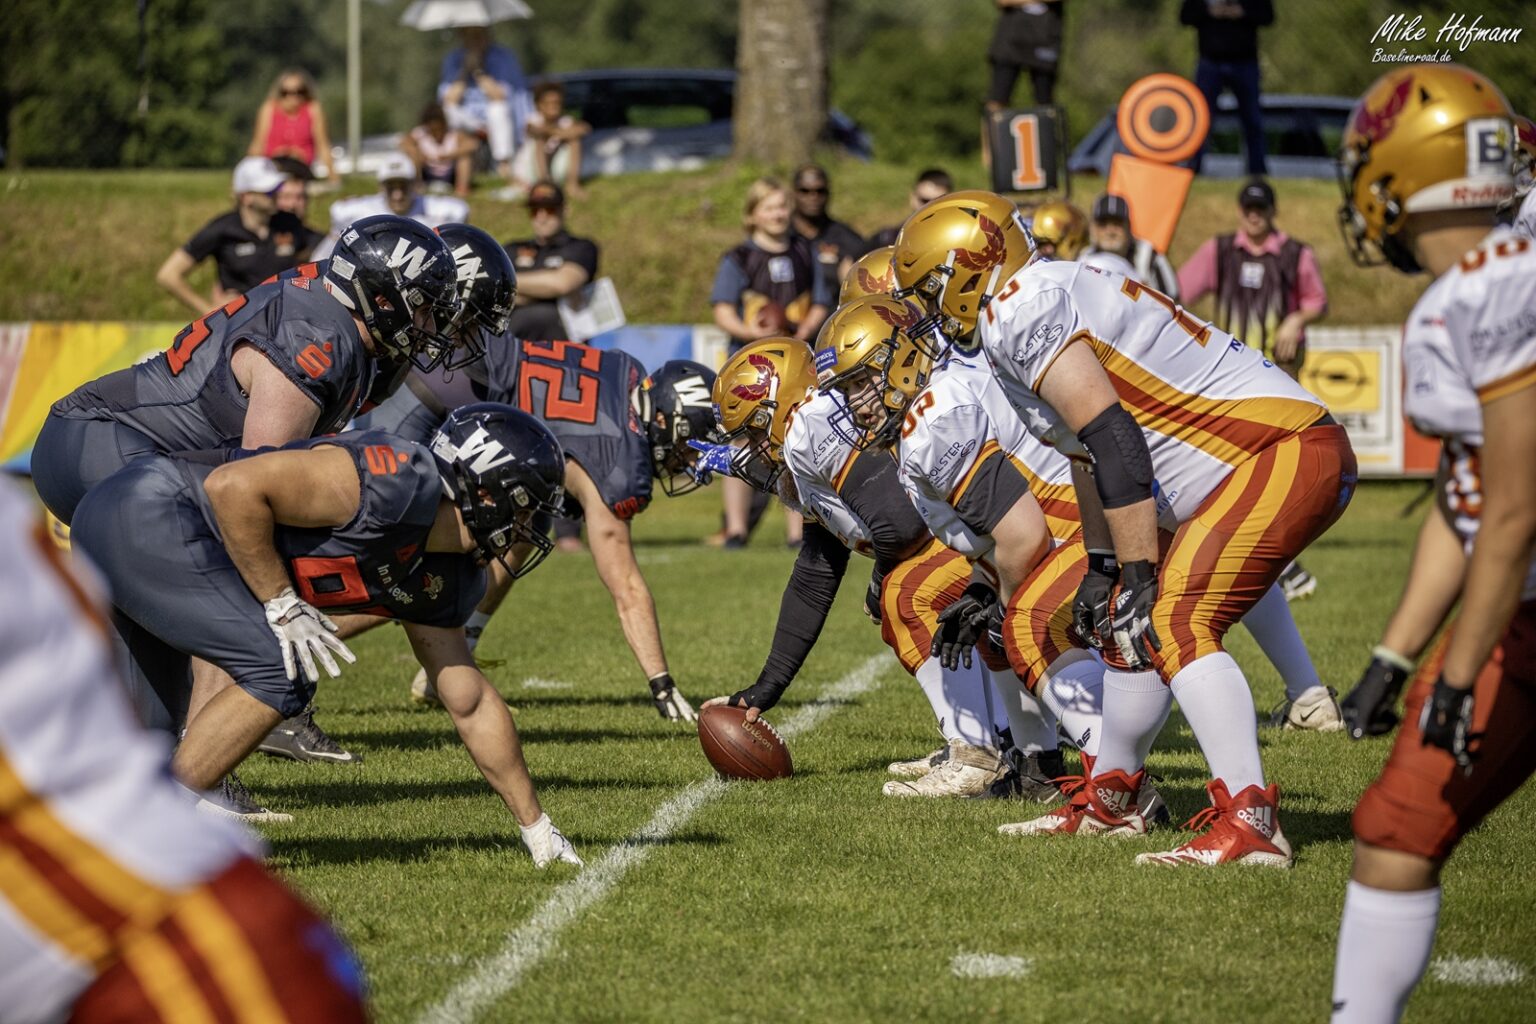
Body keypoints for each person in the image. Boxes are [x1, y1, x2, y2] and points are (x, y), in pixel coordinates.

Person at [891, 189, 1355, 865]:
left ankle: (1251, 821)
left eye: (932, 290)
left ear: (966, 269)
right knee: (1124, 625)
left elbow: (1114, 435)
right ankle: (1114, 800)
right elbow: (1087, 451)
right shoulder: (1018, 308)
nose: (931, 311)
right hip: (1230, 464)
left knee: (1173, 620)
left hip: (1274, 448)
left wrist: (1139, 571)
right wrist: (1108, 567)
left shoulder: (1021, 305)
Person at [70, 405, 583, 869]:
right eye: (524, 509)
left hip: (146, 534)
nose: (526, 529)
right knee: (280, 669)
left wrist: (536, 827)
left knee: (145, 745)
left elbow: (467, 701)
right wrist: (280, 601)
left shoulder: (450, 572)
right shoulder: (393, 481)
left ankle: (89, 849)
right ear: (487, 489)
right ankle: (153, 832)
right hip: (146, 510)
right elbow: (232, 488)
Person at [0, 480, 370, 1022]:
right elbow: (236, 478)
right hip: (128, 912)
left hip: (128, 928)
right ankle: (193, 787)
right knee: (272, 662)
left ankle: (194, 786)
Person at [1329, 64, 1532, 1023]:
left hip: (1524, 620)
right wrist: (1392, 654)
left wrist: (1452, 677)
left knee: (1400, 826)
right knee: (1393, 827)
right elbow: (1472, 502)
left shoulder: (1487, 293)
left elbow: (1513, 512)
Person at [697, 336, 1067, 800]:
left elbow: (900, 524)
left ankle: (978, 752)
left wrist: (877, 579)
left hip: (1015, 525)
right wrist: (767, 686)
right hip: (994, 527)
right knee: (901, 588)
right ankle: (992, 738)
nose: (751, 449)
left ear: (779, 404)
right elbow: (817, 572)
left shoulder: (810, 426)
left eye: (753, 431)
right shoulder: (808, 434)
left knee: (905, 591)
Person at [711, 177, 833, 550]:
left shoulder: (804, 250)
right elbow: (722, 310)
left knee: (792, 439)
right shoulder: (739, 258)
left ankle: (797, 531)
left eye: (782, 206)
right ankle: (736, 528)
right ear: (752, 215)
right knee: (740, 440)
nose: (778, 213)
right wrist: (750, 331)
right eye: (769, 207)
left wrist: (803, 330)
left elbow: (821, 301)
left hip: (793, 362)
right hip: (750, 362)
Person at [155, 156, 322, 316]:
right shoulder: (223, 229)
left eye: (277, 187)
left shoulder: (289, 223)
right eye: (269, 191)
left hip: (284, 322)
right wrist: (210, 313)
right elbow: (168, 275)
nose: (277, 193)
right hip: (241, 328)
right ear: (246, 197)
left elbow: (326, 250)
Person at [1180, 0, 1274, 176]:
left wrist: (1242, 11)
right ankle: (1193, 169)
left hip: (1245, 62)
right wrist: (1210, 11)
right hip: (1210, 61)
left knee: (1252, 119)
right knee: (1201, 119)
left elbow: (1267, 16)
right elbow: (1185, 17)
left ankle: (1257, 171)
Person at [320, 153, 470, 258]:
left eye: (403, 186)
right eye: (391, 187)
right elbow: (329, 250)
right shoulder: (354, 211)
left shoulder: (439, 210)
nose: (397, 195)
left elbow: (460, 214)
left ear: (414, 186)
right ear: (381, 187)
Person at [504, 181, 599, 342]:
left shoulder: (581, 247)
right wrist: (545, 292)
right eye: (534, 210)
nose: (541, 217)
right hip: (515, 349)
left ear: (565, 210)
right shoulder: (512, 249)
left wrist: (509, 283)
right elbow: (496, 295)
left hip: (563, 352)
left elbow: (562, 284)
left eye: (549, 209)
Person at [439, 25, 533, 183]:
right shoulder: (453, 59)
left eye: (479, 35)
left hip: (495, 117)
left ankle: (504, 165)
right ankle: (459, 168)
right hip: (467, 118)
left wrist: (478, 71)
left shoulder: (503, 57)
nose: (475, 40)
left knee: (498, 110)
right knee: (448, 111)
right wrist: (465, 70)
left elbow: (499, 95)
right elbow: (449, 99)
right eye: (470, 35)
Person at [1081, 192, 1180, 297]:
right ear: (1092, 227)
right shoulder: (1084, 258)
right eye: (1103, 223)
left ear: (1128, 227)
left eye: (1117, 223)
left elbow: (1173, 304)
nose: (1110, 231)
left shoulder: (1148, 256)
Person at [509, 81, 591, 200]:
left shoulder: (566, 121)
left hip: (555, 168)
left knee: (574, 141)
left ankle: (572, 184)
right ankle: (544, 184)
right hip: (530, 170)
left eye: (557, 103)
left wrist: (562, 133)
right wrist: (561, 132)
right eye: (548, 103)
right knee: (540, 140)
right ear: (538, 105)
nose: (553, 107)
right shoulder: (532, 120)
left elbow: (584, 129)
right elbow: (536, 131)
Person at [248, 68, 333, 180]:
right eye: (286, 93)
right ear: (280, 93)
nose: (293, 97)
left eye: (299, 92)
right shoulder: (269, 109)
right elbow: (258, 144)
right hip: (273, 165)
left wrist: (333, 176)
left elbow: (322, 144)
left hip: (300, 166)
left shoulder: (312, 109)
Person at [791, 163, 867, 284]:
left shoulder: (849, 239)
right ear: (794, 193)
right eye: (805, 191)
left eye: (820, 191)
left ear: (828, 193)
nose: (813, 196)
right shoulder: (780, 237)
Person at [986, 1, 1065, 109]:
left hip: (1046, 38)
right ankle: (992, 126)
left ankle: (1045, 126)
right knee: (997, 99)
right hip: (1010, 39)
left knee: (1045, 102)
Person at [402, 101, 479, 198]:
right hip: (427, 173)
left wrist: (450, 155)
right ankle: (416, 187)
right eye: (432, 130)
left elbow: (472, 145)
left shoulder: (454, 134)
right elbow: (404, 144)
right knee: (412, 155)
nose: (436, 133)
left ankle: (462, 188)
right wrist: (419, 154)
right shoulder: (419, 134)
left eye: (439, 129)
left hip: (450, 174)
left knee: (465, 158)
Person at [868, 168, 952, 248]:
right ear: (913, 197)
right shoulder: (886, 238)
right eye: (924, 201)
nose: (929, 208)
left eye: (937, 202)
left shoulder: (954, 242)